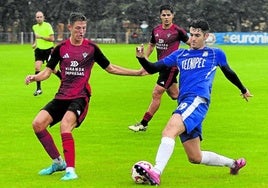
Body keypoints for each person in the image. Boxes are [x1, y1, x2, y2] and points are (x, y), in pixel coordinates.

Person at [25, 12, 145, 181]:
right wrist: (35, 77)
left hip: (80, 97)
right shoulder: (61, 48)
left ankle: (71, 170)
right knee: (37, 124)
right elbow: (48, 71)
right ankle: (58, 162)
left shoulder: (91, 48)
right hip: (62, 96)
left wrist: (137, 73)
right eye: (78, 28)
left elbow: (111, 68)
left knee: (65, 126)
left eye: (84, 28)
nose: (81, 31)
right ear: (69, 28)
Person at [134, 19, 253, 185]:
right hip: (185, 102)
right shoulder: (180, 54)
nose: (193, 38)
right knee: (195, 157)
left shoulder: (215, 54)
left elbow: (228, 72)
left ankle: (156, 171)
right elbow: (153, 67)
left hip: (198, 100)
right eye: (192, 34)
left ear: (206, 36)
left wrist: (243, 89)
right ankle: (234, 164)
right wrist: (141, 58)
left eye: (197, 35)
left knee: (169, 130)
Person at [128, 4, 190, 132]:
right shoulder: (156, 30)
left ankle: (143, 124)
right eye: (164, 15)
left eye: (168, 15)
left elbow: (191, 44)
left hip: (171, 67)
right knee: (175, 95)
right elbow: (151, 45)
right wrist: (145, 59)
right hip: (160, 67)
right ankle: (192, 104)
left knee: (156, 93)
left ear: (173, 16)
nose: (166, 17)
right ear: (160, 16)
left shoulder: (178, 31)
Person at [32, 11, 61, 96]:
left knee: (52, 69)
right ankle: (38, 89)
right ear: (35, 18)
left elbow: (52, 39)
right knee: (37, 67)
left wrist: (40, 37)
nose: (39, 18)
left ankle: (63, 79)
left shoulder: (47, 26)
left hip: (49, 50)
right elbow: (36, 38)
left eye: (40, 17)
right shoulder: (34, 27)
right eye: (37, 17)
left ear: (43, 17)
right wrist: (35, 43)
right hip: (39, 50)